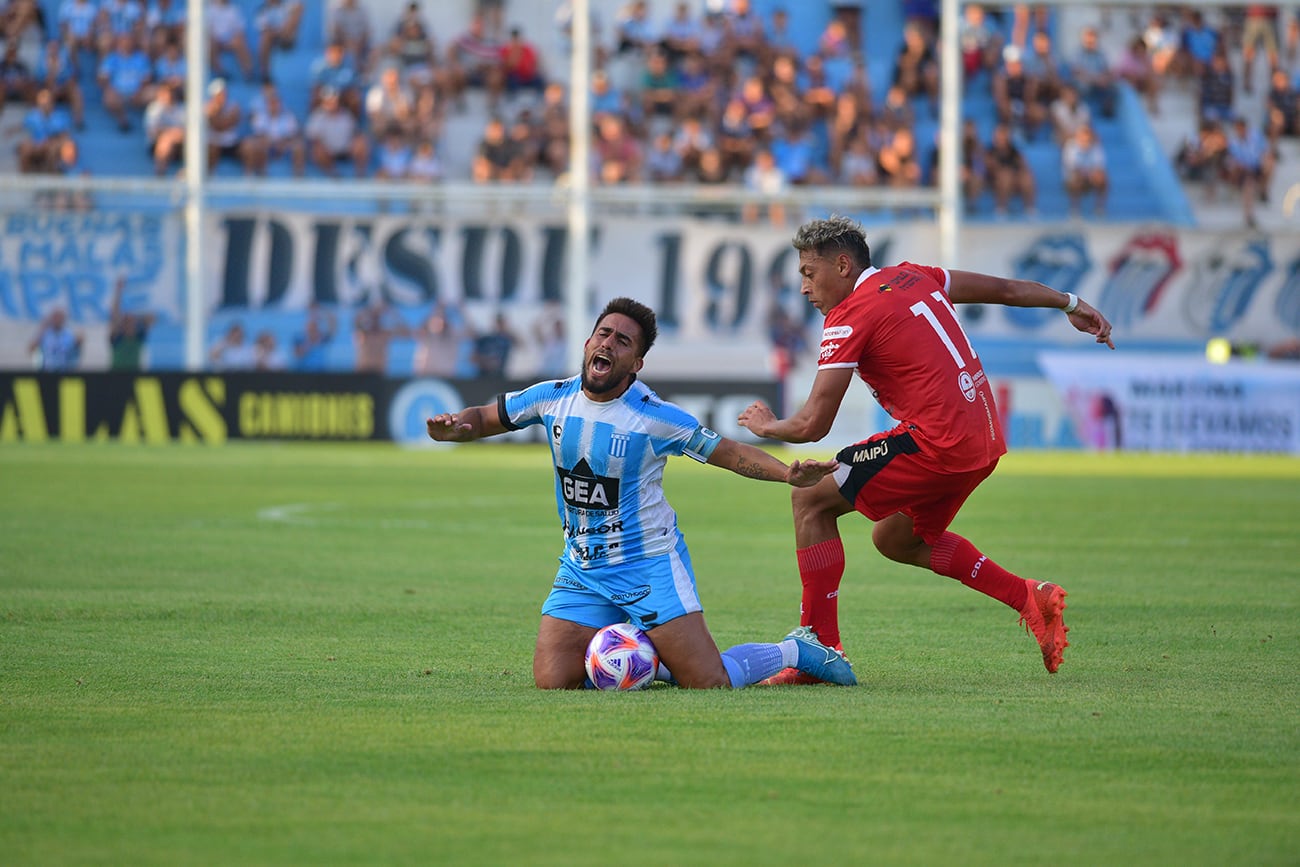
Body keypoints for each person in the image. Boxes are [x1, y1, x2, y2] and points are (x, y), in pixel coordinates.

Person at [736, 216, 1115, 683]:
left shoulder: (851, 313)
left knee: (810, 500)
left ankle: (820, 651)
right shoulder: (916, 274)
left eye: (809, 274)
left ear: (842, 265)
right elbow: (1008, 291)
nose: (803, 288)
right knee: (896, 539)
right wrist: (1070, 303)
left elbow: (813, 424)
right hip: (985, 439)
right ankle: (1027, 596)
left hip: (939, 441)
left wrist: (766, 424)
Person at [425, 296, 856, 690]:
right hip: (582, 568)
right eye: (604, 334)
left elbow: (728, 452)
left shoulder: (655, 417)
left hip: (647, 565)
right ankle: (649, 659)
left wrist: (787, 475)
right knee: (554, 681)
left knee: (709, 683)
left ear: (637, 364)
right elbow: (483, 417)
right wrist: (455, 429)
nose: (609, 344)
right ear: (589, 342)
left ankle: (797, 649)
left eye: (623, 341)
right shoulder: (552, 397)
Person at [108, 275, 155, 370]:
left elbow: (151, 318)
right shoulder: (117, 338)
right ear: (122, 325)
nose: (130, 324)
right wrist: (118, 291)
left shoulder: (139, 337)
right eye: (127, 322)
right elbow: (114, 314)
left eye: (132, 322)